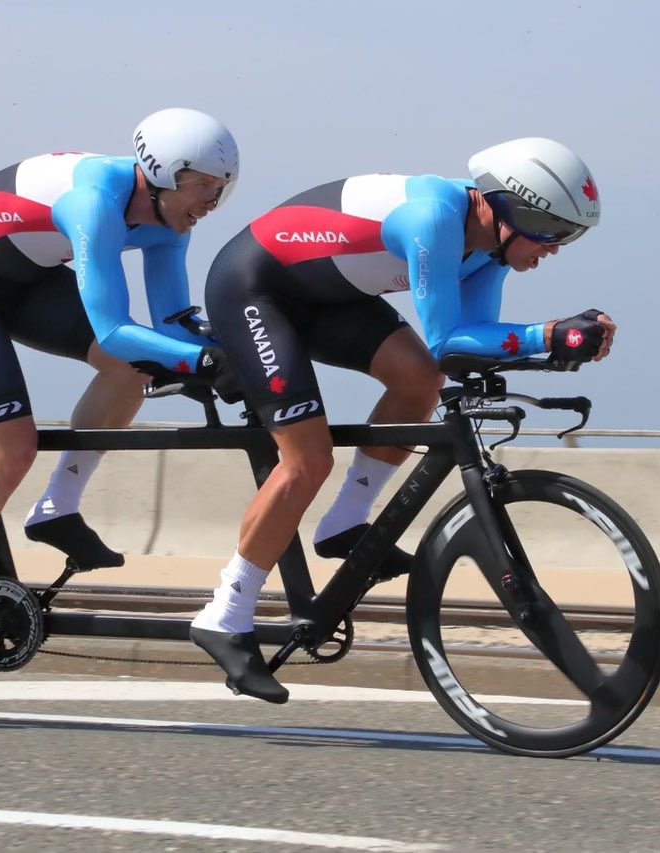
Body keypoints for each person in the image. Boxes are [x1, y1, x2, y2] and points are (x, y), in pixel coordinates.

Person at [189, 137, 616, 702]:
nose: (556, 248)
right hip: (255, 289)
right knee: (307, 460)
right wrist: (547, 333)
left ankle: (345, 524)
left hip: (328, 296)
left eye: (569, 235)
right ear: (511, 207)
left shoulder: (487, 253)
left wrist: (557, 346)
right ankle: (225, 613)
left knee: (420, 380)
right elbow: (447, 337)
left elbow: (467, 348)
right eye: (552, 230)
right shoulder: (435, 217)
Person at [0, 108, 241, 680]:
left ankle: (57, 507)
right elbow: (111, 329)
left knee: (131, 370)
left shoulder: (169, 224)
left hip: (26, 279)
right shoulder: (93, 203)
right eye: (202, 186)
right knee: (12, 447)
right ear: (158, 175)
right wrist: (200, 361)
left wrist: (215, 354)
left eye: (221, 189)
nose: (211, 201)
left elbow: (170, 327)